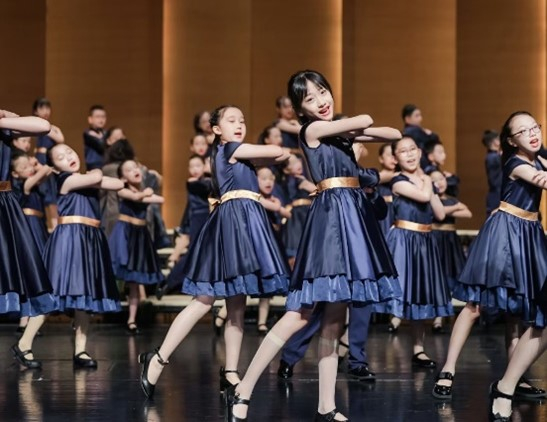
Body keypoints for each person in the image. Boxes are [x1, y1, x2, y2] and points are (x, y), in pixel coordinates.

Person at [225, 70, 402, 422]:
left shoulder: (335, 130)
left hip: (353, 217)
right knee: (300, 314)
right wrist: (350, 128)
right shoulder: (312, 131)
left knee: (335, 317)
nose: (321, 101)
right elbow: (366, 120)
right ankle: (244, 388)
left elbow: (394, 134)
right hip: (331, 218)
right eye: (310, 98)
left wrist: (350, 131)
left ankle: (326, 406)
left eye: (323, 92)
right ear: (300, 110)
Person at [138, 105, 291, 400]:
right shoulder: (231, 149)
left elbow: (280, 155)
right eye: (232, 120)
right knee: (204, 300)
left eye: (242, 120)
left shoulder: (237, 153)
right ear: (217, 130)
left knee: (237, 303)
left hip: (244, 224)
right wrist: (268, 153)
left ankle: (230, 371)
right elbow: (277, 152)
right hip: (233, 224)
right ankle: (157, 358)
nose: (239, 124)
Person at [433, 111, 547, 402]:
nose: (533, 133)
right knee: (476, 305)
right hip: (505, 232)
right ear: (511, 141)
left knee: (518, 312)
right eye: (523, 131)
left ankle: (514, 377)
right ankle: (448, 368)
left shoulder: (540, 159)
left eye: (534, 127)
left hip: (530, 233)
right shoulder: (515, 163)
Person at [31, 144, 124, 368]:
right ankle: (25, 343)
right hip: (70, 238)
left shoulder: (84, 179)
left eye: (69, 152)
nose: (68, 157)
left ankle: (80, 350)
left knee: (84, 295)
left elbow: (118, 184)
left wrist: (94, 177)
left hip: (88, 238)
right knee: (55, 293)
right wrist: (95, 173)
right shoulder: (65, 179)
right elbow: (99, 177)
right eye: (61, 157)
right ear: (56, 167)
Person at [386, 137, 453, 368]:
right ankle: (349, 346)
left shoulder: (425, 181)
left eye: (412, 149)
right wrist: (427, 180)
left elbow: (440, 214)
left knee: (419, 294)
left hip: (424, 241)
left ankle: (418, 349)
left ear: (420, 152)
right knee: (394, 293)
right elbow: (423, 196)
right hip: (404, 241)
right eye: (403, 151)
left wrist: (428, 183)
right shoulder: (398, 181)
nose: (410, 154)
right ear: (395, 158)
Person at [1, 109, 56, 370]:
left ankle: (25, 342)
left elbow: (43, 126)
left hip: (4, 206)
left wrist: (4, 117)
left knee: (29, 276)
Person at [108, 159, 165, 334]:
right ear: (123, 178)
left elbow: (160, 199)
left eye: (135, 167)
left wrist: (147, 192)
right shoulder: (122, 190)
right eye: (129, 169)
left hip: (140, 235)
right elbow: (134, 197)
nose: (134, 170)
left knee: (134, 282)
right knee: (118, 273)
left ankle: (131, 319)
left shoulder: (143, 191)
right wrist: (146, 193)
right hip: (125, 233)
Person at [429, 169, 472, 333]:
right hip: (433, 239)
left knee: (447, 277)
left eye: (441, 178)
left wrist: (451, 207)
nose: (439, 183)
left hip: (449, 241)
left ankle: (439, 318)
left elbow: (468, 213)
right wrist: (455, 208)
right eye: (434, 180)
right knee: (433, 277)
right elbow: (436, 214)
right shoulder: (429, 198)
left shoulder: (452, 199)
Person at [483, 130, 502, 216]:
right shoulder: (493, 157)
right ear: (494, 142)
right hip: (497, 194)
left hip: (497, 192)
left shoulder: (494, 156)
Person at [83, 105, 108, 171]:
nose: (101, 120)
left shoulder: (106, 133)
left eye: (103, 117)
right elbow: (101, 146)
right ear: (90, 119)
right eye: (97, 117)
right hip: (93, 166)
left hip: (106, 164)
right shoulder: (87, 133)